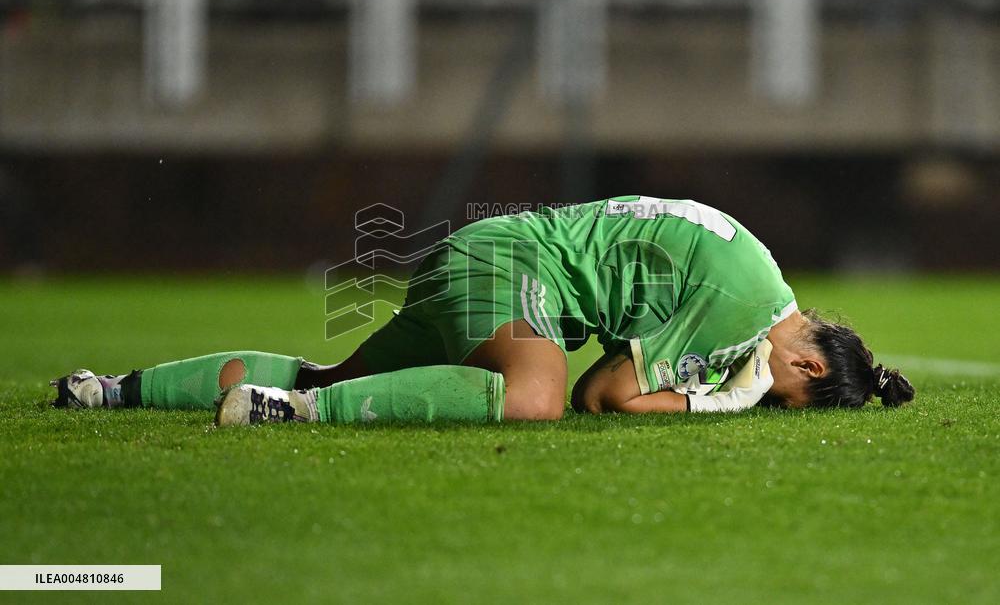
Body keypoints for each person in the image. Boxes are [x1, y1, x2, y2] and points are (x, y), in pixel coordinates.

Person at [50, 196, 914, 425]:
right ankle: (292, 414)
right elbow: (601, 396)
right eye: (779, 397)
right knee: (533, 396)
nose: (761, 393)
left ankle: (109, 391)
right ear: (803, 362)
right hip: (512, 265)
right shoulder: (743, 316)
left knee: (342, 371)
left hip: (493, 255)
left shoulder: (756, 270)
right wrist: (716, 399)